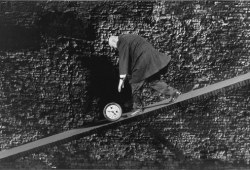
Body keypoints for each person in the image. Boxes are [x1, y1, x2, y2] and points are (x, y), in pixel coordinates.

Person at [108, 34, 181, 116]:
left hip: (143, 60)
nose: (114, 48)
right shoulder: (129, 37)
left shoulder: (122, 41)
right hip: (151, 57)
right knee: (153, 81)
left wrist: (121, 79)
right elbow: (132, 56)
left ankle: (138, 108)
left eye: (113, 46)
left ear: (114, 41)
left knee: (135, 83)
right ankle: (174, 93)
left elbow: (123, 59)